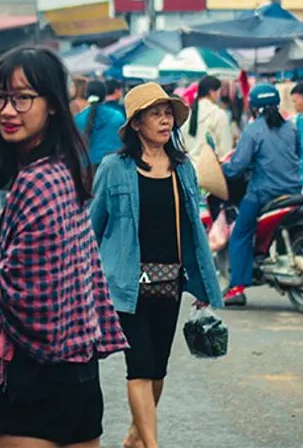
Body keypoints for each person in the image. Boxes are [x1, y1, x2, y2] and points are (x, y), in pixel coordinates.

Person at [0, 47, 126, 448]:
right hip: (78, 372)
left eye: (23, 97)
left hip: (36, 374)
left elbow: (27, 295)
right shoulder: (63, 168)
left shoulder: (37, 181)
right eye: (0, 97)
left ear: (54, 106)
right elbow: (45, 269)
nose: (8, 110)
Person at [90, 83, 223, 448]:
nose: (165, 120)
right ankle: (152, 445)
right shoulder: (113, 168)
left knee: (158, 368)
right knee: (140, 365)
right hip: (126, 283)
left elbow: (194, 227)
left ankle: (135, 436)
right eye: (155, 114)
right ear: (136, 123)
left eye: (168, 113)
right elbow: (93, 225)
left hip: (170, 281)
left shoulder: (183, 169)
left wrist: (202, 284)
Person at [220, 83, 302, 307]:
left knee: (240, 234)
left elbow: (238, 167)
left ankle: (236, 287)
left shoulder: (253, 130)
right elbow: (296, 155)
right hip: (295, 191)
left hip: (263, 193)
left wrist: (220, 169)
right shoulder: (291, 127)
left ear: (254, 107)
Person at [76, 79, 127, 172]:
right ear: (104, 95)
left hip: (87, 169)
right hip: (114, 167)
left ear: (87, 95)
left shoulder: (78, 119)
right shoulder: (117, 116)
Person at [182, 75, 234, 160]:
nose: (219, 96)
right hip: (210, 169)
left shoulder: (188, 114)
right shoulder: (218, 114)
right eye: (218, 92)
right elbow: (225, 151)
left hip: (189, 168)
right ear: (212, 92)